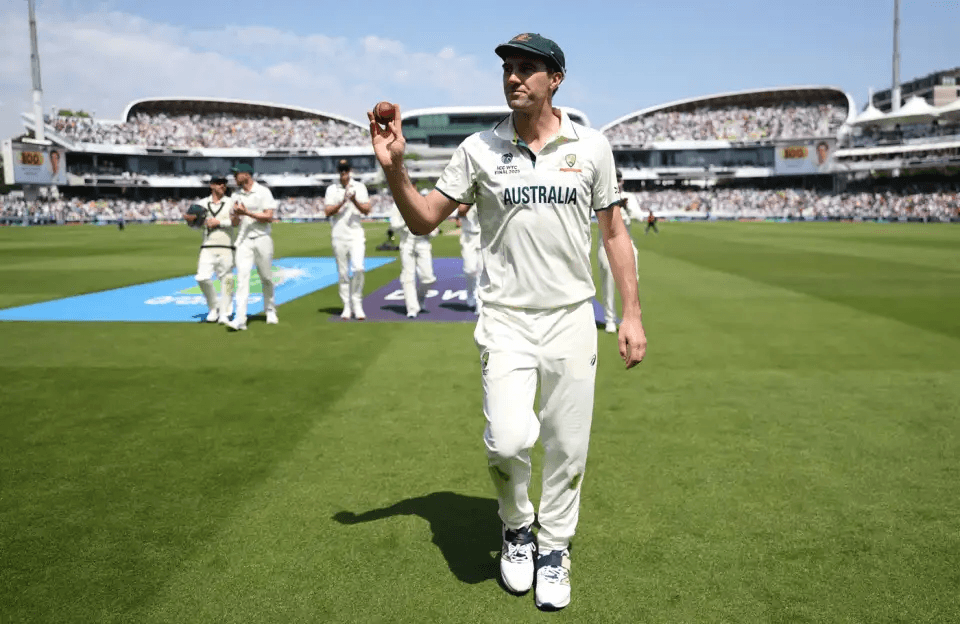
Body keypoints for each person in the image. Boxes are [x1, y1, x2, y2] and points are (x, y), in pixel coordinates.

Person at [368, 32, 646, 611]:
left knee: (568, 447)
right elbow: (423, 221)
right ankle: (517, 527)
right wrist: (395, 169)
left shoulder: (591, 147)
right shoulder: (478, 150)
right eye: (508, 69)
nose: (513, 78)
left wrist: (631, 314)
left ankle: (556, 546)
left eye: (526, 69)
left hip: (572, 315)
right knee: (508, 439)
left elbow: (615, 233)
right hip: (506, 319)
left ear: (555, 79)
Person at [227, 163, 278, 331]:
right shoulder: (235, 195)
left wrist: (246, 213)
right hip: (243, 241)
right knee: (242, 278)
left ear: (247, 175)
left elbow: (269, 216)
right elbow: (234, 222)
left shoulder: (263, 192)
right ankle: (240, 318)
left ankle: (270, 309)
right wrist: (235, 215)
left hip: (262, 238)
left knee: (266, 277)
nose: (234, 177)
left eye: (237, 174)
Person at [325, 159, 372, 320]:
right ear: (338, 171)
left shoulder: (359, 187)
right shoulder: (332, 189)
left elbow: (367, 210)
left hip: (356, 234)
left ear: (350, 171)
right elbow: (327, 211)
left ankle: (357, 302)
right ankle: (347, 306)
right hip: (339, 234)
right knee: (343, 273)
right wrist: (343, 201)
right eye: (341, 170)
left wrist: (353, 200)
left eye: (346, 170)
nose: (343, 173)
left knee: (358, 268)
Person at [187, 175, 235, 323]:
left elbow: (237, 221)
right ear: (212, 186)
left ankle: (225, 313)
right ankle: (214, 307)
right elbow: (194, 224)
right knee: (202, 277)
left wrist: (218, 222)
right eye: (219, 183)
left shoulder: (231, 202)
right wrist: (190, 220)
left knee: (226, 279)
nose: (222, 186)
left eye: (224, 184)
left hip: (226, 245)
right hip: (207, 246)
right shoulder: (201, 203)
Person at [597, 170, 639, 333]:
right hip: (606, 245)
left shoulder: (630, 197)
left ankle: (630, 318)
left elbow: (639, 216)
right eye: (615, 180)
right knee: (608, 281)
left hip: (627, 246)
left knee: (631, 283)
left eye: (620, 180)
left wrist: (626, 207)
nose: (618, 183)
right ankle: (609, 319)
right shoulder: (601, 195)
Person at [389, 200, 437, 317]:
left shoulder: (425, 204)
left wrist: (423, 223)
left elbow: (434, 230)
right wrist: (407, 220)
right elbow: (394, 225)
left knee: (428, 278)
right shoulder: (398, 205)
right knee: (407, 276)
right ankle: (412, 308)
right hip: (406, 242)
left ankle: (419, 299)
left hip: (423, 242)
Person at [457, 203, 482, 314]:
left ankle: (480, 303)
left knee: (482, 271)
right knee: (470, 270)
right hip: (468, 237)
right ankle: (470, 292)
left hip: (483, 235)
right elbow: (461, 211)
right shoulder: (466, 197)